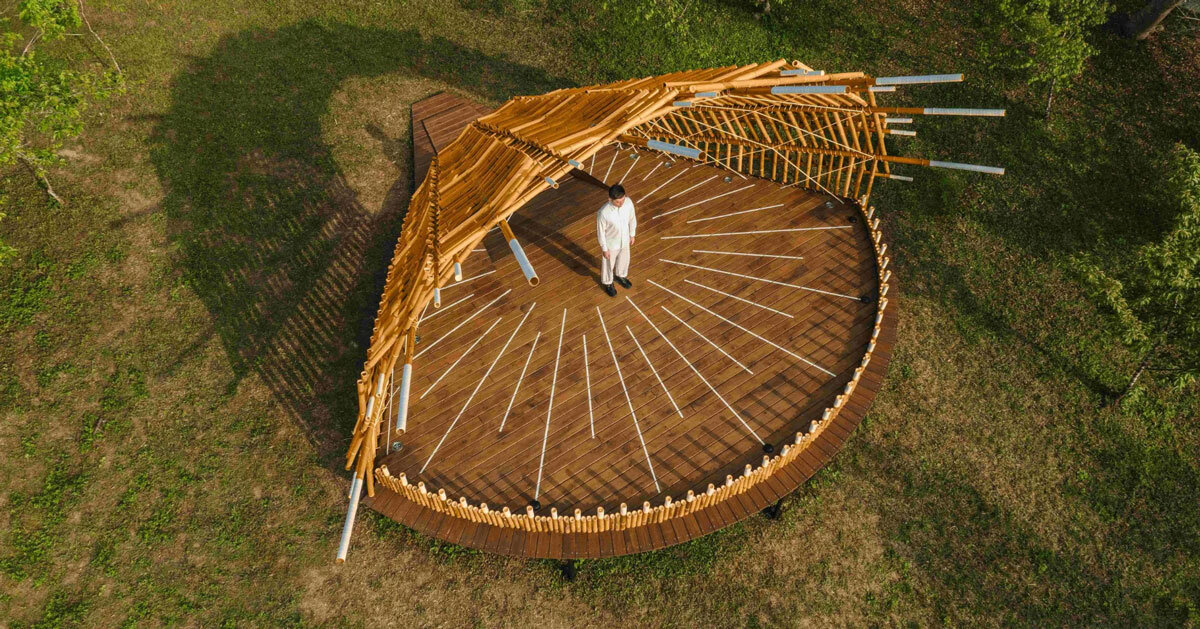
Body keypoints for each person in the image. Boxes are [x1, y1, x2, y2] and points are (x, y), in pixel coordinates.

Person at [596, 184, 636, 297]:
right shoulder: (603, 213)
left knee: (624, 259)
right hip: (611, 244)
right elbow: (600, 232)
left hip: (625, 239)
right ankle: (608, 283)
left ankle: (621, 275)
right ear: (610, 199)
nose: (621, 203)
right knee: (608, 264)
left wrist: (632, 234)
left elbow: (632, 219)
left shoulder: (628, 203)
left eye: (623, 200)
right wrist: (604, 248)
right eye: (618, 202)